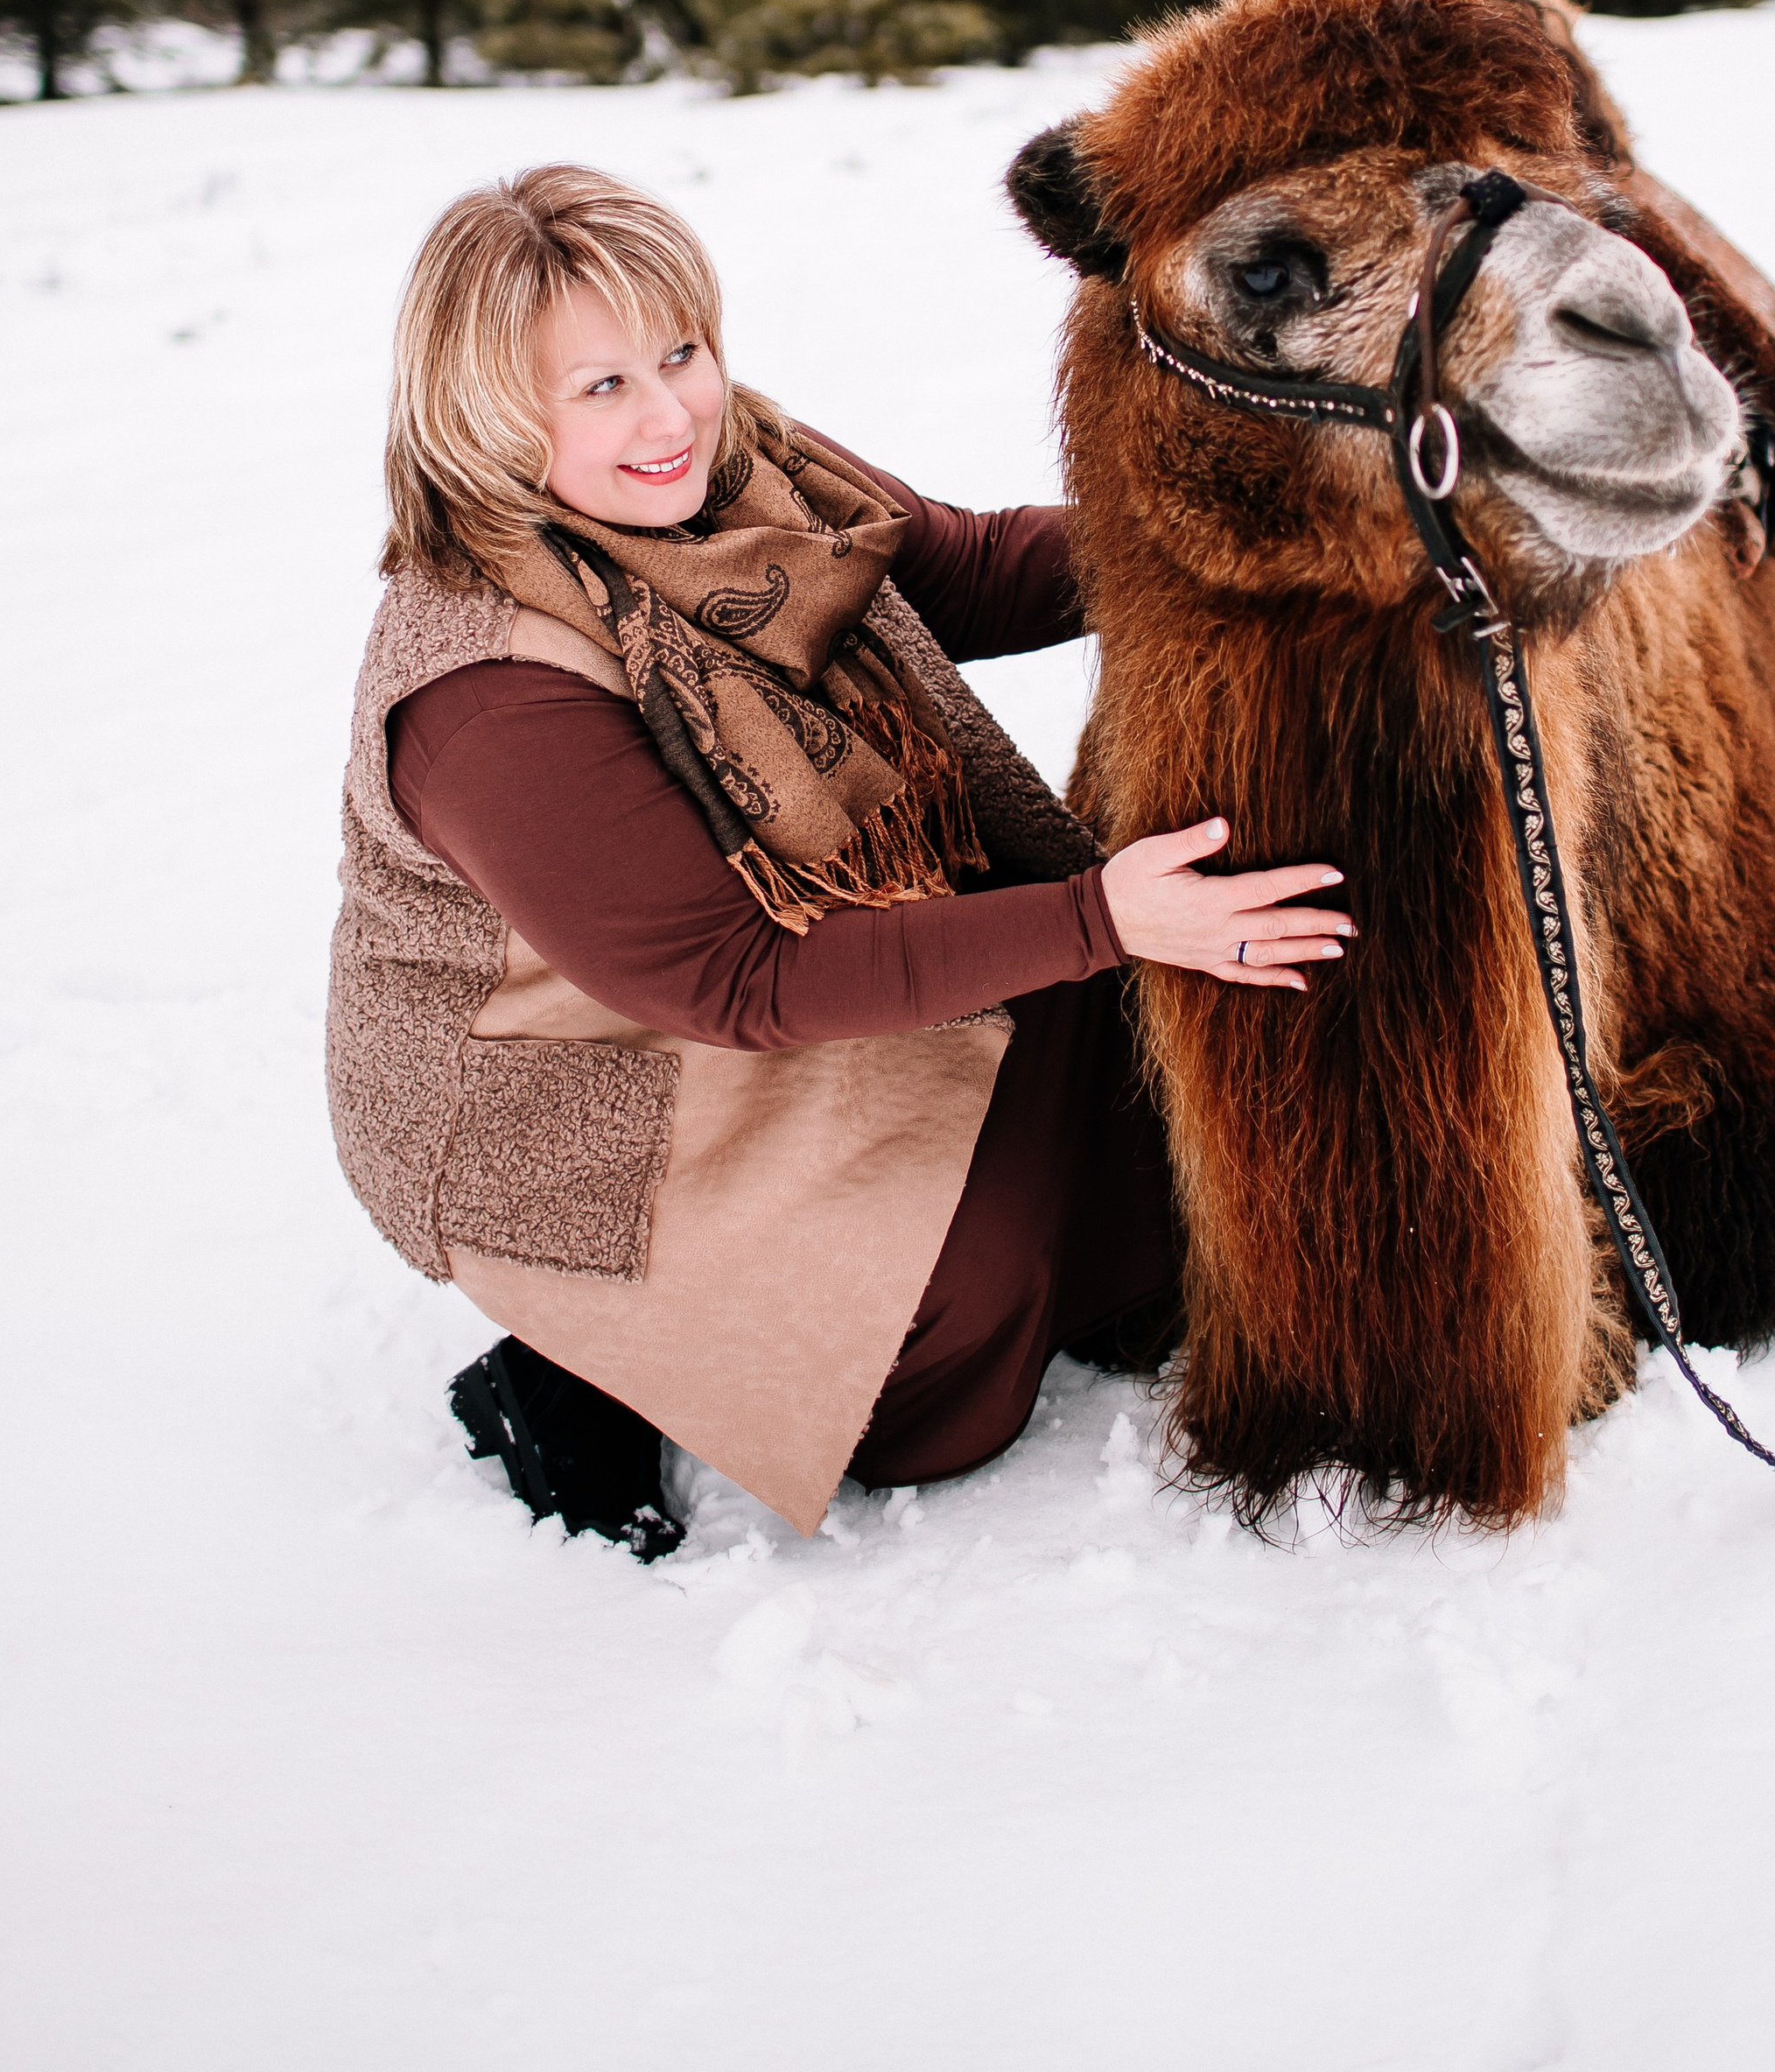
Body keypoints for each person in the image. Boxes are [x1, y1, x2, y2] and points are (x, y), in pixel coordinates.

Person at [326, 164, 1352, 1557]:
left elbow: (967, 568)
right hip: (581, 1096)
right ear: (491, 418)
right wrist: (1103, 914)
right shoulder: (490, 692)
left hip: (782, 938)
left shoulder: (744, 466)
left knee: (1129, 1115)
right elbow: (730, 976)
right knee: (941, 1350)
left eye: (679, 352)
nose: (670, 412)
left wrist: (1236, 534)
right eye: (599, 387)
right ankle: (583, 1367)